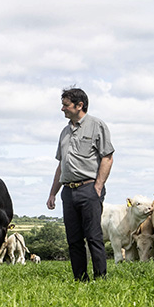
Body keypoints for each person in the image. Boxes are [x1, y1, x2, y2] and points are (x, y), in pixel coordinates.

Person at [47, 87, 114, 281]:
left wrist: (98, 187)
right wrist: (53, 193)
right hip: (68, 191)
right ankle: (80, 279)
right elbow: (62, 164)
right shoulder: (64, 132)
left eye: (66, 105)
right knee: (73, 239)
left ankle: (100, 279)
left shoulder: (96, 125)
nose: (62, 109)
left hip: (89, 188)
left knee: (93, 236)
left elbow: (107, 157)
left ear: (79, 105)